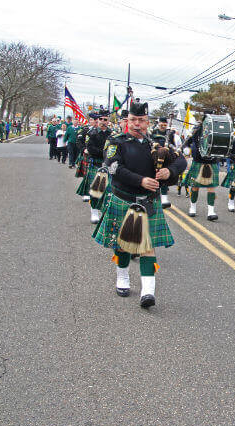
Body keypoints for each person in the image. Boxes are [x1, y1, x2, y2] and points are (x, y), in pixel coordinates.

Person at [92, 99, 186, 308]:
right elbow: (113, 167)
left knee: (148, 247)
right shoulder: (116, 141)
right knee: (122, 245)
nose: (137, 124)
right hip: (123, 198)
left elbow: (181, 160)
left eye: (141, 120)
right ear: (127, 121)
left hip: (148, 202)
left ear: (147, 122)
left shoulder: (157, 142)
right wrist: (141, 180)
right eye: (133, 120)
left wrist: (169, 171)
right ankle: (122, 277)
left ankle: (148, 292)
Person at [183, 113, 220, 220]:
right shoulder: (197, 129)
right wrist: (186, 149)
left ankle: (211, 211)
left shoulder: (217, 130)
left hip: (211, 161)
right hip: (198, 161)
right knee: (195, 186)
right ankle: (192, 207)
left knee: (211, 187)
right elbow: (187, 142)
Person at [77, 112, 111, 222]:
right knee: (96, 190)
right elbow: (91, 149)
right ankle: (94, 211)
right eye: (101, 119)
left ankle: (103, 211)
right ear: (98, 120)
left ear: (108, 121)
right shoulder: (91, 133)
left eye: (105, 119)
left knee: (107, 190)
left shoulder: (112, 134)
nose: (103, 122)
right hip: (96, 164)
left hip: (108, 165)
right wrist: (105, 153)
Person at [150, 116, 176, 208]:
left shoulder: (169, 133)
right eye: (162, 123)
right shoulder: (153, 132)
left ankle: (164, 199)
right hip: (154, 157)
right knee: (154, 177)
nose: (163, 125)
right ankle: (153, 197)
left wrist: (171, 147)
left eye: (165, 124)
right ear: (158, 123)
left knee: (164, 179)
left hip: (166, 158)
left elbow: (173, 144)